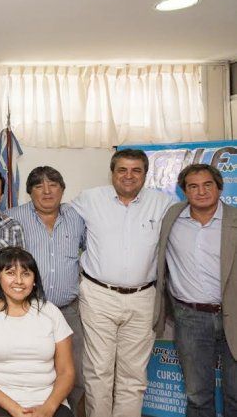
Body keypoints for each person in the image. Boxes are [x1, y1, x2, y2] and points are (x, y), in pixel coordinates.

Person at [71, 149, 174, 417]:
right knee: (99, 371)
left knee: (133, 375)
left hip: (143, 297)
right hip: (98, 295)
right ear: (112, 173)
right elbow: (58, 221)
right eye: (122, 170)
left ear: (145, 175)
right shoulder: (89, 199)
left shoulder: (162, 204)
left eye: (136, 170)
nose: (129, 176)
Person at [154, 164, 237, 417]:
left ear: (219, 188)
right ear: (184, 191)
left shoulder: (234, 220)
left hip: (235, 315)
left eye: (207, 185)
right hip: (190, 318)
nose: (201, 192)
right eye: (193, 186)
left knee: (236, 394)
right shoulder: (172, 218)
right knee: (197, 395)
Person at [7, 166, 86, 411]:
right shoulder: (12, 217)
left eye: (53, 184)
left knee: (75, 372)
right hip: (27, 310)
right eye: (39, 186)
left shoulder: (77, 218)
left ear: (62, 189)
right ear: (29, 192)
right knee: (28, 371)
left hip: (67, 311)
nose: (47, 191)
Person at [0, 246, 75, 417]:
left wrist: (48, 408)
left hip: (47, 401)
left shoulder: (50, 311)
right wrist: (14, 409)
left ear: (34, 280)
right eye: (10, 273)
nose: (19, 281)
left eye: (26, 274)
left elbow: (66, 372)